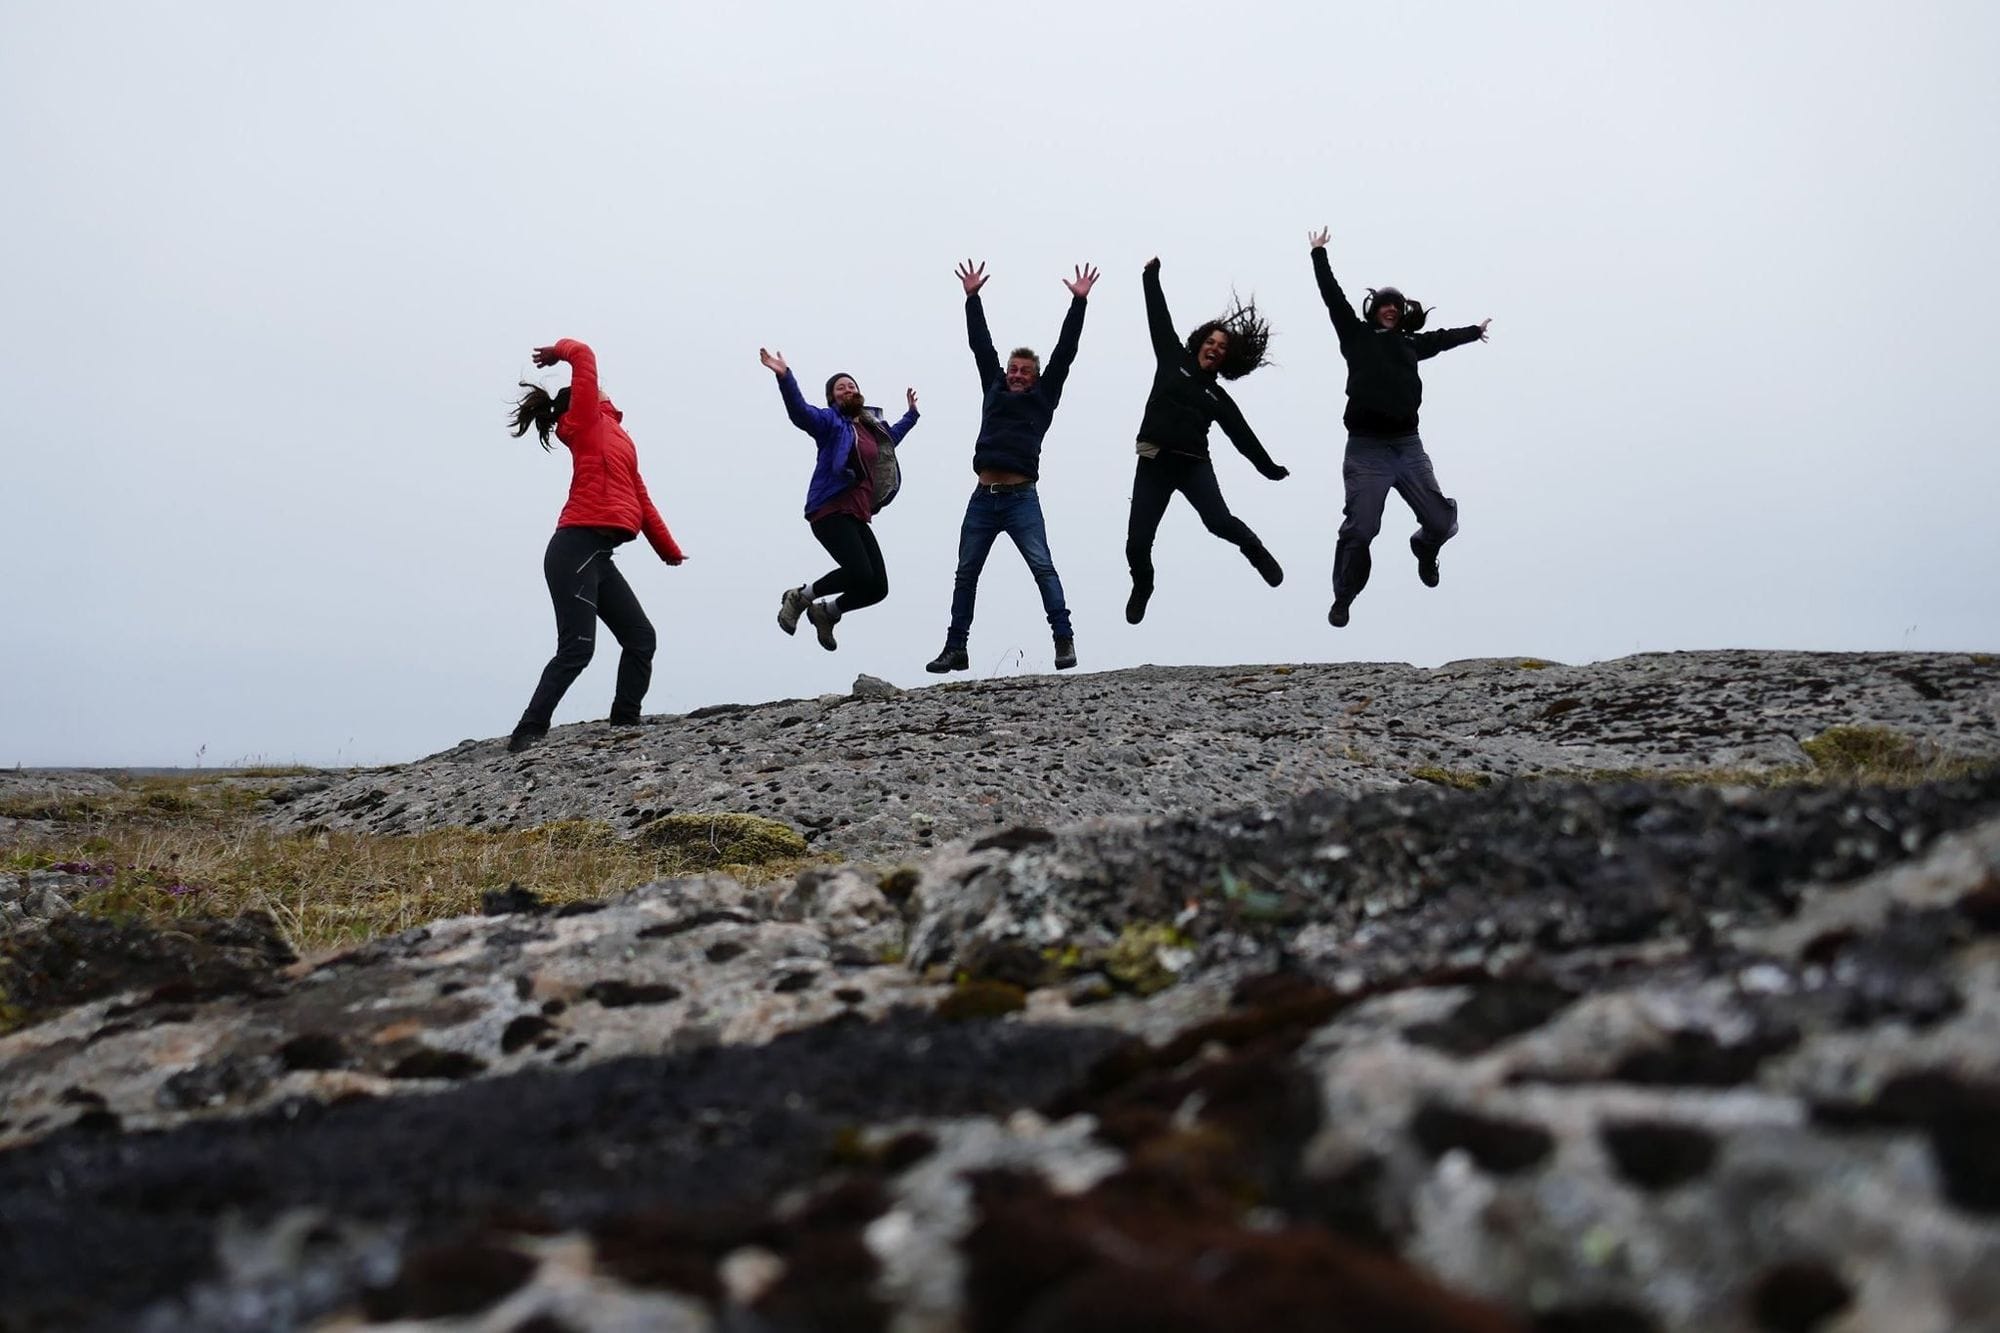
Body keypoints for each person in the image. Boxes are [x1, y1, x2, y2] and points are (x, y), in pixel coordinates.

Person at [505, 339, 684, 754]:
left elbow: (641, 498)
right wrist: (558, 353)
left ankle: (624, 723)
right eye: (597, 386)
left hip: (599, 554)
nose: (603, 388)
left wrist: (668, 549)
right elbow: (583, 355)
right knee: (578, 648)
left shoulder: (620, 438)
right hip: (574, 547)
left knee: (641, 637)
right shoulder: (582, 422)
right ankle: (528, 732)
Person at [1308, 227, 1490, 627]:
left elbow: (1441, 339)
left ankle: (1425, 549)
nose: (1391, 309)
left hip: (1407, 447)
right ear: (1374, 310)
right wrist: (1319, 256)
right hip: (1367, 450)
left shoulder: (1410, 344)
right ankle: (1344, 597)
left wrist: (1474, 332)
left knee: (1443, 522)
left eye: (1397, 306)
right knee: (1361, 529)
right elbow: (1332, 298)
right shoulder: (1355, 335)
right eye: (1385, 305)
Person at [925, 259, 1097, 675]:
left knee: (1042, 566)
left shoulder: (1043, 397)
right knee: (965, 574)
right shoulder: (994, 388)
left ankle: (1063, 640)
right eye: (1013, 370)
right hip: (983, 498)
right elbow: (980, 346)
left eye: (1025, 372)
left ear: (1036, 379)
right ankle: (955, 647)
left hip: (1021, 498)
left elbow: (1065, 353)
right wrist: (972, 298)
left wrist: (1078, 304)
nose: (1018, 376)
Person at [1123, 256, 1290, 625]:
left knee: (1218, 522)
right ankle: (1143, 584)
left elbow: (1243, 437)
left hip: (1193, 465)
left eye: (1222, 347)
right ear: (1200, 343)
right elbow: (1158, 318)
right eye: (1210, 341)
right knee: (1136, 543)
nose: (1214, 348)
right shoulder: (1171, 359)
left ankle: (1254, 548)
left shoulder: (1218, 398)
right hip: (1153, 463)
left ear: (1225, 358)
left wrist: (1270, 469)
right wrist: (1150, 277)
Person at [759, 348, 919, 651]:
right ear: (833, 398)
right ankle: (801, 596)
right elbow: (800, 412)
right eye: (840, 387)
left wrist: (911, 415)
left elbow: (890, 440)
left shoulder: (871, 428)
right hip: (829, 510)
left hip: (857, 514)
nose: (847, 389)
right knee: (859, 572)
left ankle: (827, 612)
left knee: (877, 588)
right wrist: (785, 377)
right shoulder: (830, 423)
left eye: (852, 385)